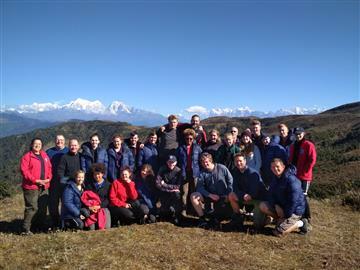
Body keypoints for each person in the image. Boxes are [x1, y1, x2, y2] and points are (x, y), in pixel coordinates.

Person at [259, 159, 307, 237]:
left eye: (277, 166)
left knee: (278, 233)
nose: (275, 169)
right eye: (273, 167)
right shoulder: (275, 178)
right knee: (262, 205)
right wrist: (276, 205)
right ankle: (280, 221)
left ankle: (300, 223)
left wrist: (285, 215)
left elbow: (293, 201)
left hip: (294, 211)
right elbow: (270, 194)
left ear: (283, 166)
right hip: (281, 207)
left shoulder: (292, 180)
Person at [190, 152, 233, 228]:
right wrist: (209, 195)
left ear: (211, 160)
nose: (205, 164)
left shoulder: (222, 168)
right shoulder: (202, 173)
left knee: (221, 214)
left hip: (223, 196)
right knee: (193, 196)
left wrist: (227, 193)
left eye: (206, 162)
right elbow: (199, 187)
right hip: (209, 195)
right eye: (202, 162)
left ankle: (235, 216)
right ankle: (202, 219)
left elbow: (230, 181)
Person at [20, 138, 52, 234]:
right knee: (32, 208)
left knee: (42, 208)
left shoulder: (44, 155)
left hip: (44, 186)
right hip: (31, 187)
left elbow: (50, 168)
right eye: (35, 144)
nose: (37, 145)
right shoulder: (27, 157)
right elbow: (24, 171)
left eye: (39, 144)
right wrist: (36, 180)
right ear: (31, 145)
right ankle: (26, 229)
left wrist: (48, 179)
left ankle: (39, 226)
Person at [228, 153, 267, 230]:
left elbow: (255, 190)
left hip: (257, 198)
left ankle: (267, 218)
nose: (238, 163)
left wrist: (249, 195)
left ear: (245, 161)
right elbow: (234, 188)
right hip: (245, 196)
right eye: (236, 161)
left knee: (257, 225)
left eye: (240, 161)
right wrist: (243, 195)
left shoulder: (253, 173)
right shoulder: (235, 172)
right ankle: (238, 217)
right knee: (231, 195)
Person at [289, 127, 317, 223]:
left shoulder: (308, 145)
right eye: (296, 134)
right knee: (296, 195)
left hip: (304, 176)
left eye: (300, 133)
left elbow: (312, 159)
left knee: (303, 196)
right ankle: (298, 215)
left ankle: (307, 217)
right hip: (294, 176)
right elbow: (291, 160)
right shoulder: (293, 146)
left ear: (303, 133)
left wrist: (305, 170)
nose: (298, 135)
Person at [176, 129, 202, 215]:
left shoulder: (197, 148)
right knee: (184, 192)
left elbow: (201, 160)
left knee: (194, 192)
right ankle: (184, 210)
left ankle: (195, 210)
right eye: (187, 138)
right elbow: (177, 161)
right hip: (184, 173)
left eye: (191, 138)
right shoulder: (180, 148)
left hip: (195, 173)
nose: (189, 140)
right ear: (185, 138)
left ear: (194, 138)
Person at [46, 134, 69, 229]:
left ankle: (65, 222)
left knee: (66, 203)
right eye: (57, 140)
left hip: (66, 182)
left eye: (61, 140)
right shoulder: (49, 152)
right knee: (53, 204)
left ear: (65, 141)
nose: (59, 141)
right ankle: (55, 222)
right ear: (55, 141)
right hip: (53, 182)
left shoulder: (68, 151)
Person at [83, 163, 111, 230]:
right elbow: (85, 198)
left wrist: (99, 206)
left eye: (98, 174)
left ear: (102, 174)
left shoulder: (108, 185)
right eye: (95, 174)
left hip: (103, 207)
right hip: (92, 208)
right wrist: (90, 207)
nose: (97, 176)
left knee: (107, 227)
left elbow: (108, 199)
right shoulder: (89, 185)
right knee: (91, 228)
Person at [156, 155, 183, 224]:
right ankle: (165, 211)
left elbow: (178, 186)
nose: (171, 164)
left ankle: (177, 215)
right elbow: (158, 183)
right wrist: (167, 189)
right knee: (165, 213)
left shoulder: (178, 171)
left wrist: (165, 185)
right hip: (164, 192)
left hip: (174, 193)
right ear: (167, 162)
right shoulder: (162, 169)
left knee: (177, 194)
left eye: (173, 162)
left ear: (176, 162)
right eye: (169, 162)